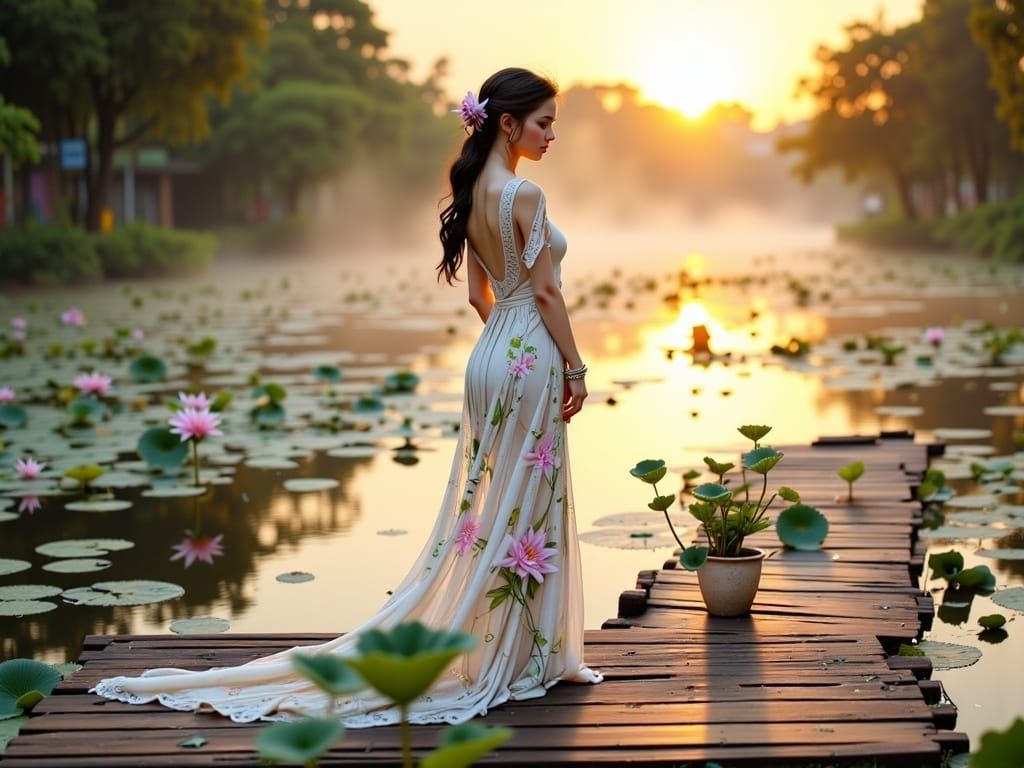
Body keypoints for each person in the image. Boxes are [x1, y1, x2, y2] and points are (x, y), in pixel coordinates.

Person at [91, 67, 602, 726]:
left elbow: (481, 295)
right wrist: (574, 367)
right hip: (527, 354)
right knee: (526, 501)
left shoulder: (473, 188)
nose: (552, 134)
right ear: (509, 123)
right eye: (545, 122)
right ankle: (526, 656)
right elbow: (546, 292)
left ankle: (510, 648)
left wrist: (505, 345)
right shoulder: (524, 194)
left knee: (494, 506)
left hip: (490, 357)